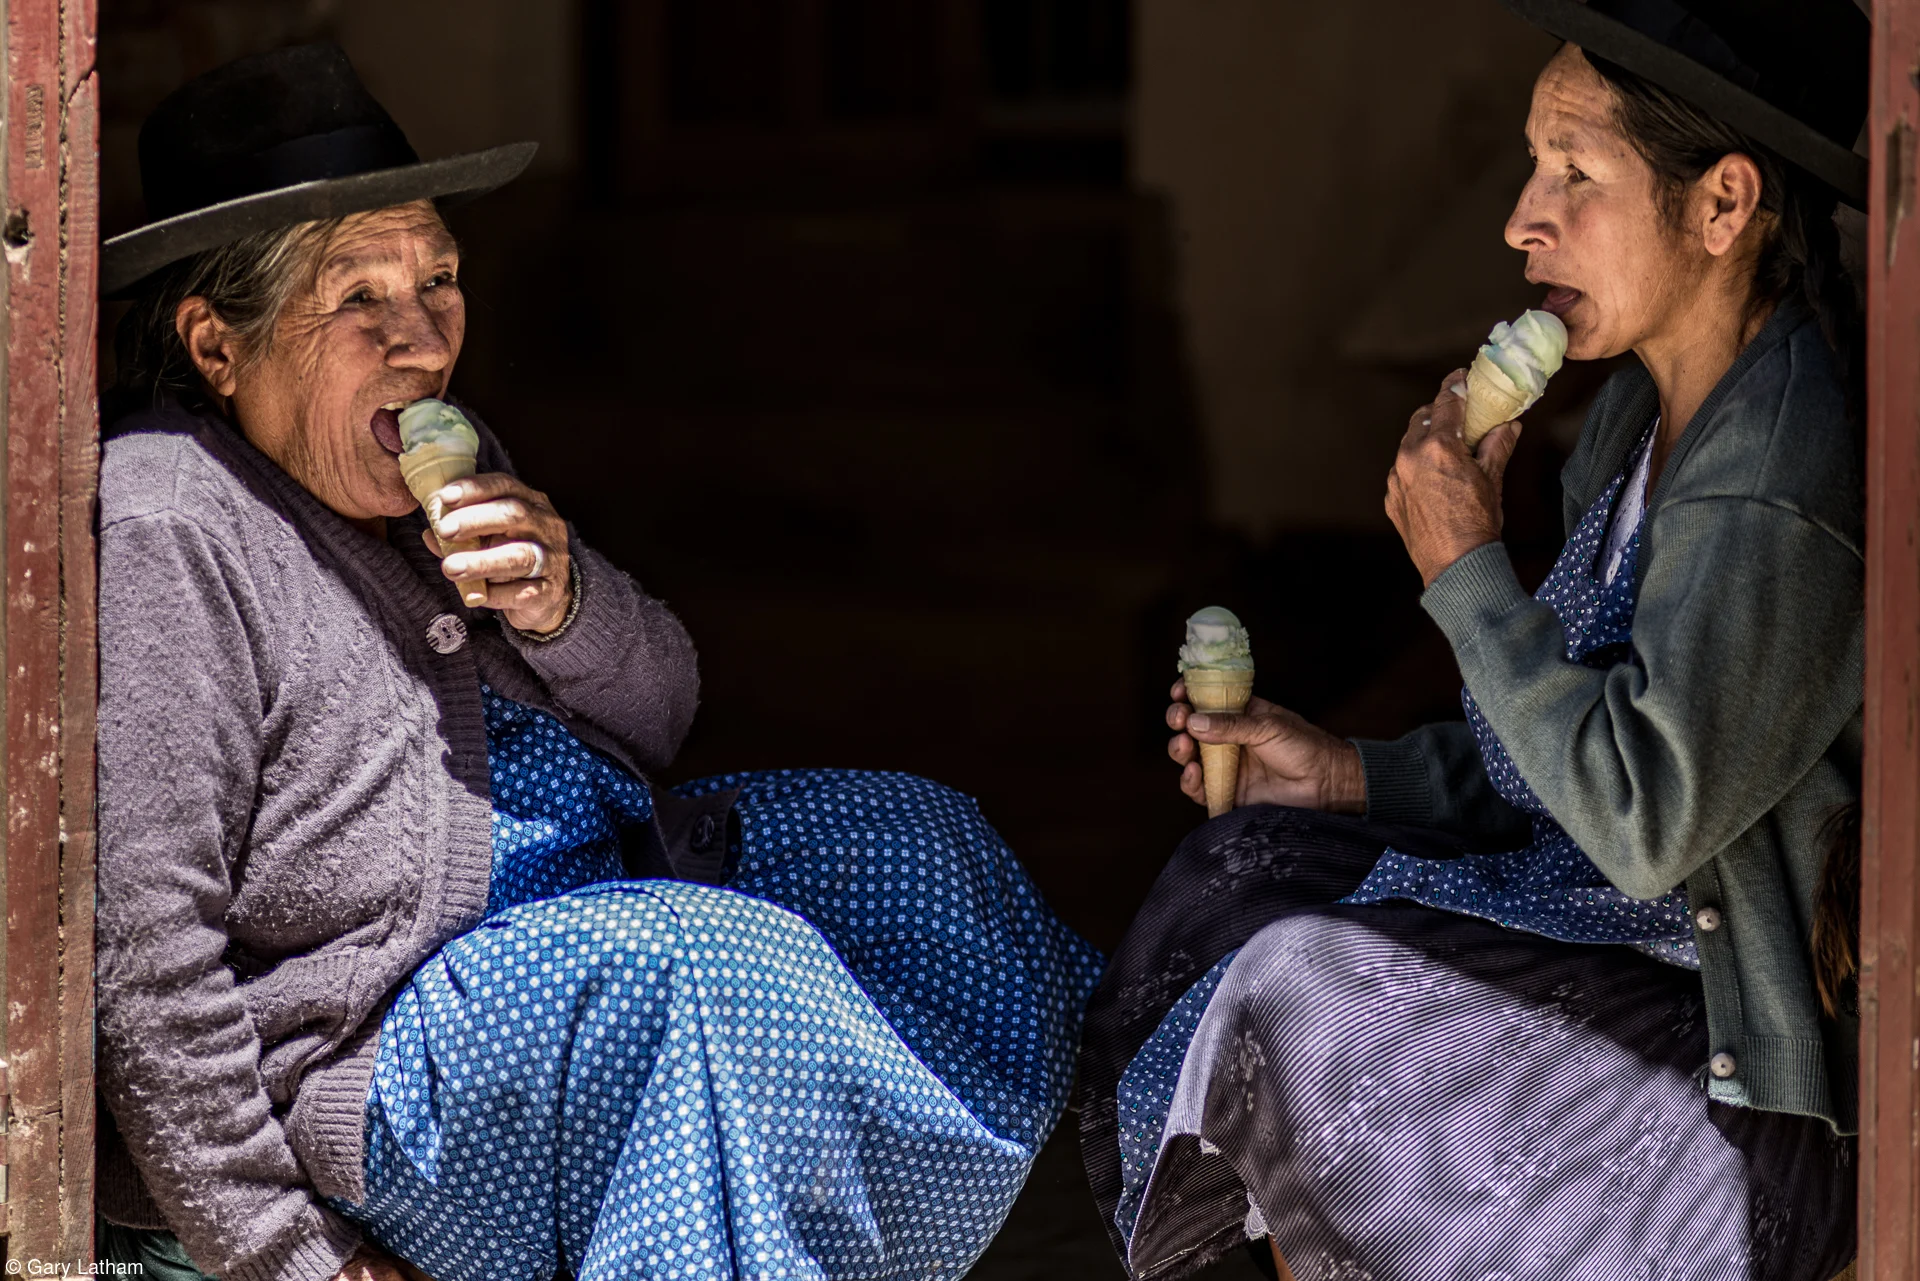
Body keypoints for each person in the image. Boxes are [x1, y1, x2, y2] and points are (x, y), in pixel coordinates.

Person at [92, 45, 1100, 1281]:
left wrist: (560, 602)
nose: (421, 340)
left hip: (594, 910)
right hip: (386, 1059)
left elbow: (667, 710)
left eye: (441, 280)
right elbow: (150, 952)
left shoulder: (437, 474)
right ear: (214, 346)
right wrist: (284, 1256)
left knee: (922, 848)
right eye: (360, 297)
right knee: (712, 975)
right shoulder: (170, 515)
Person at [1077, 2, 1868, 1278]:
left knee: (1310, 994)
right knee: (1255, 865)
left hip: (1723, 1093)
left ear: (1724, 205)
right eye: (1530, 163)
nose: (1520, 217)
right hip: (1601, 965)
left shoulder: (1773, 474)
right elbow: (1556, 753)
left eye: (1573, 171)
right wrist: (1346, 773)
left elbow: (1645, 820)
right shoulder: (1629, 425)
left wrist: (1466, 571)